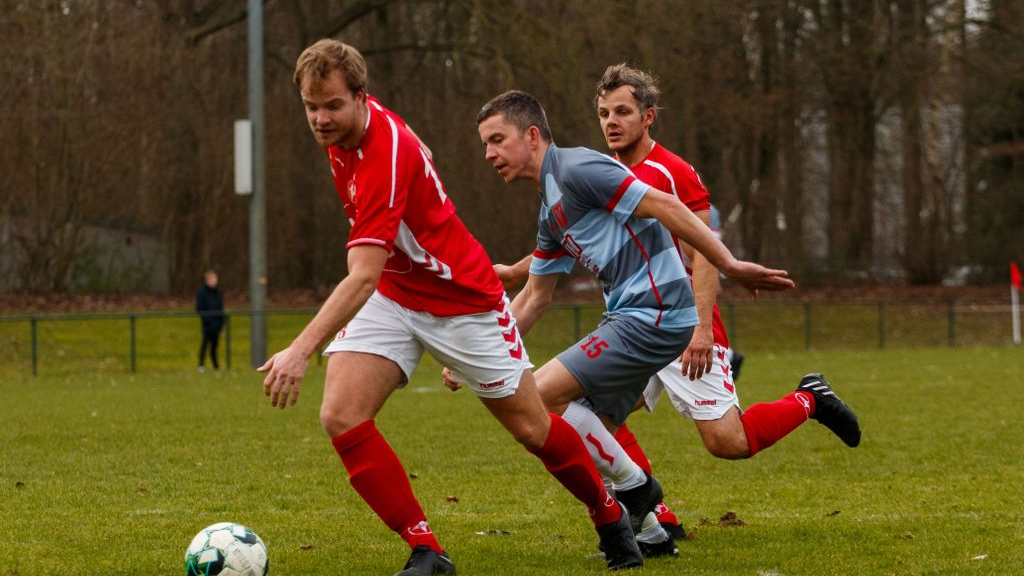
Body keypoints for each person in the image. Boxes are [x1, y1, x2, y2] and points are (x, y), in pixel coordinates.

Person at [258, 39, 648, 576]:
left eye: (332, 106)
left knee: (533, 429)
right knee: (341, 414)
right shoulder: (352, 131)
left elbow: (362, 275)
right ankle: (427, 550)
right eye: (311, 106)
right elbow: (386, 238)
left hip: (462, 301)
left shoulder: (383, 156)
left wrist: (301, 350)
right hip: (396, 292)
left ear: (361, 97)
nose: (320, 119)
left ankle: (609, 512)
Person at [489, 67, 861, 542]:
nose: (611, 122)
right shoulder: (598, 171)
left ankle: (810, 398)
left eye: (623, 111)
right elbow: (574, 235)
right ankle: (654, 518)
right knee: (588, 414)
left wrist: (702, 328)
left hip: (680, 320)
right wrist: (519, 271)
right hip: (630, 321)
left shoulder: (671, 171)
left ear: (648, 117)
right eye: (603, 113)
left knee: (727, 441)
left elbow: (701, 252)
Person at [195, 269, 224, 371]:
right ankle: (201, 365)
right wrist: (208, 321)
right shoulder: (202, 293)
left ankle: (216, 366)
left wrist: (220, 323)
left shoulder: (218, 293)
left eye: (215, 279)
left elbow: (220, 309)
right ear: (207, 280)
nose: (214, 281)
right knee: (205, 344)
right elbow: (200, 309)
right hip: (207, 325)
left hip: (217, 324)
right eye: (212, 279)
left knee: (214, 346)